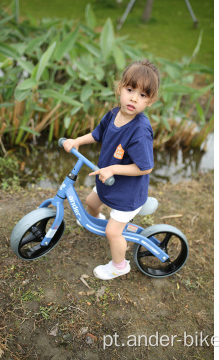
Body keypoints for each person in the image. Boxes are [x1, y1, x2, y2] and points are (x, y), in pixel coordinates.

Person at [63, 59, 160, 280]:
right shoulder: (113, 114)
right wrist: (77, 140)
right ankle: (97, 220)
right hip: (108, 182)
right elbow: (97, 135)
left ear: (150, 101)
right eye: (130, 90)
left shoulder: (140, 131)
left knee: (112, 232)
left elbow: (145, 168)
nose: (134, 98)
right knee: (91, 202)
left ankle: (119, 265)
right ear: (120, 89)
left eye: (142, 95)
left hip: (127, 193)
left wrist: (115, 168)